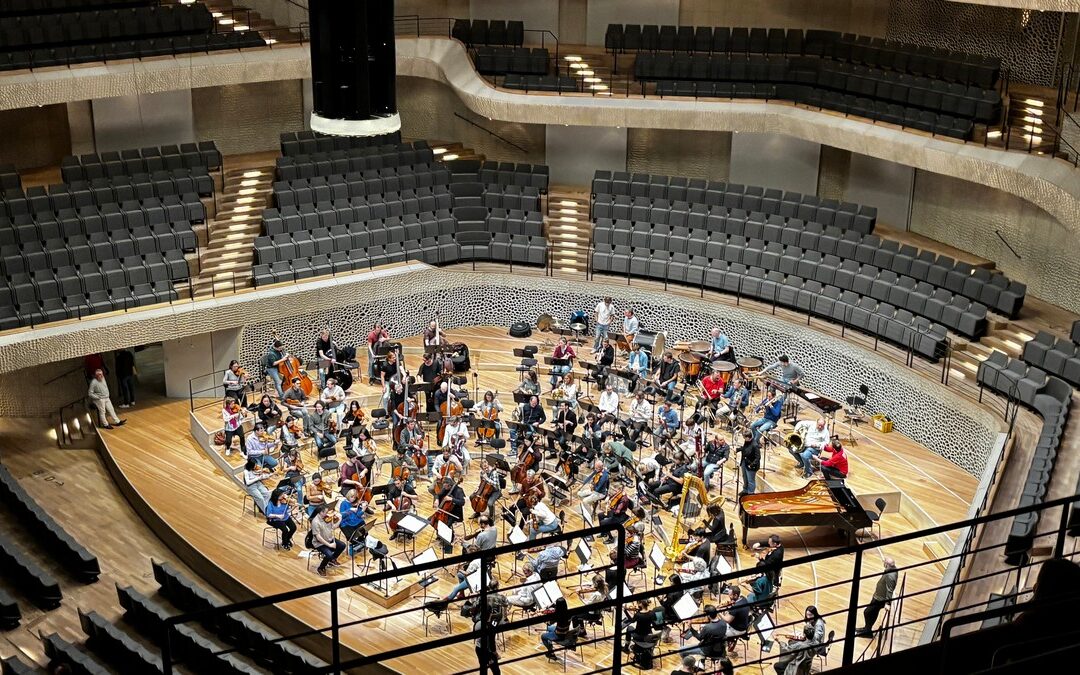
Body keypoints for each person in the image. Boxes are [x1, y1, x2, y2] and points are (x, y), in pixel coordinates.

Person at [773, 606, 826, 675]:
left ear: (815, 614)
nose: (808, 617)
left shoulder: (819, 624)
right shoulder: (812, 622)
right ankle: (798, 657)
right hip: (810, 646)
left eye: (810, 615)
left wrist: (779, 641)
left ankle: (793, 659)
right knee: (792, 642)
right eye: (807, 614)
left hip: (816, 646)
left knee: (791, 648)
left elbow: (786, 649)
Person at [856, 558, 897, 637]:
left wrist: (887, 603)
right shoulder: (891, 570)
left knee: (867, 612)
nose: (883, 564)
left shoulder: (890, 576)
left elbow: (890, 590)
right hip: (878, 596)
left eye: (884, 562)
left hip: (880, 599)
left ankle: (868, 632)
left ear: (886, 564)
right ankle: (867, 629)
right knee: (873, 613)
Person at [541, 597, 583, 662]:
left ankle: (551, 653)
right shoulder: (569, 613)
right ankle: (550, 642)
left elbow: (549, 623)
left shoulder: (558, 616)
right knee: (548, 629)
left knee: (543, 636)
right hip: (566, 631)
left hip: (559, 635)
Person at [310, 505, 346, 576]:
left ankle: (332, 560)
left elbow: (333, 527)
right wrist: (329, 545)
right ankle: (321, 568)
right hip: (320, 543)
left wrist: (340, 519)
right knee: (329, 555)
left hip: (329, 538)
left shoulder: (327, 518)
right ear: (321, 512)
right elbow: (318, 537)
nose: (328, 513)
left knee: (342, 545)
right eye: (326, 512)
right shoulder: (315, 522)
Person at [737, 430, 760, 495]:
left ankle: (750, 493)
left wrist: (751, 465)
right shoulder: (746, 441)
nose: (744, 439)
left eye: (744, 437)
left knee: (751, 480)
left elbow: (758, 457)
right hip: (744, 462)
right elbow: (745, 448)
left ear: (748, 437)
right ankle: (745, 490)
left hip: (751, 465)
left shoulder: (755, 445)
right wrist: (738, 449)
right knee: (745, 477)